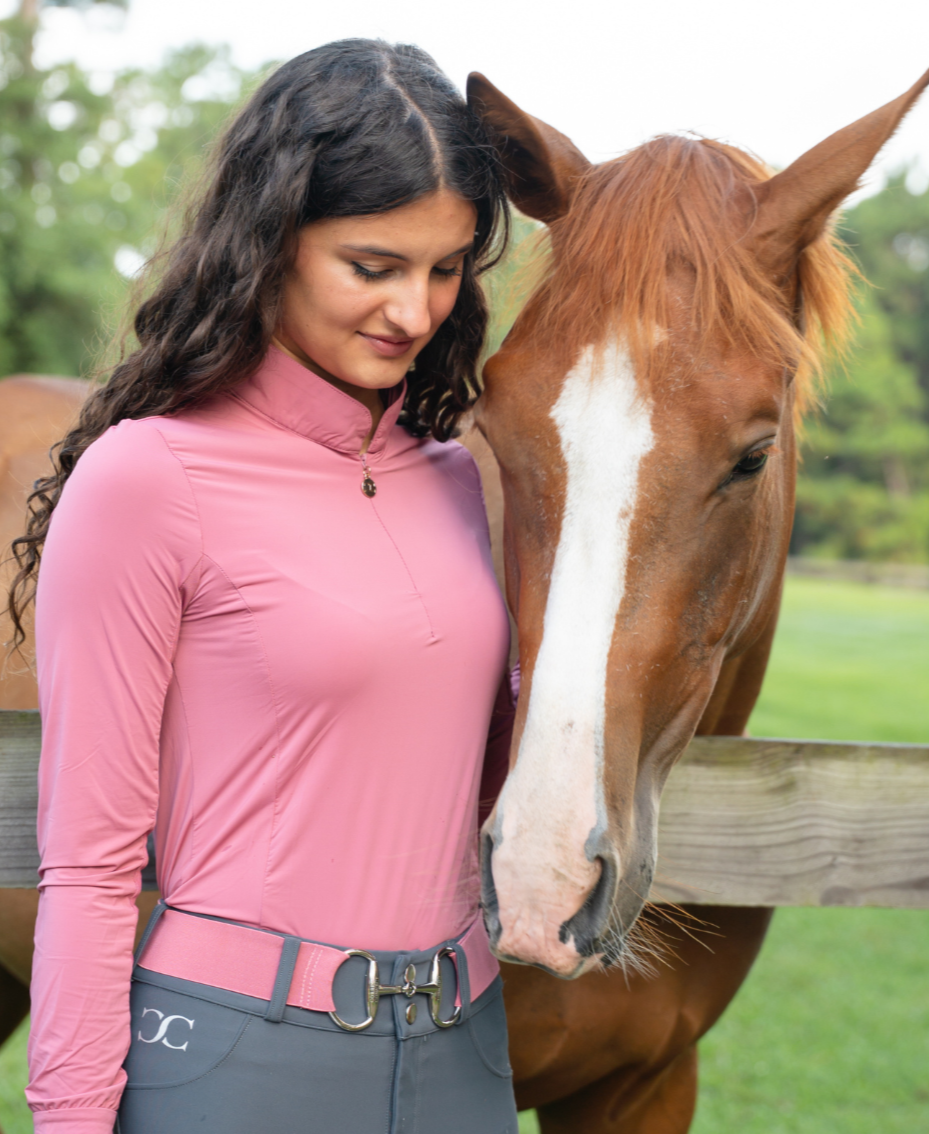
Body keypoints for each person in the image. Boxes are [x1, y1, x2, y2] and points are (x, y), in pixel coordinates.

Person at [11, 39, 518, 1134]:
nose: (416, 311)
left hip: (464, 1051)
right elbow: (92, 867)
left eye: (446, 269)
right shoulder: (150, 477)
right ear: (271, 241)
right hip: (239, 1051)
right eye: (372, 266)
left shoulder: (459, 482)